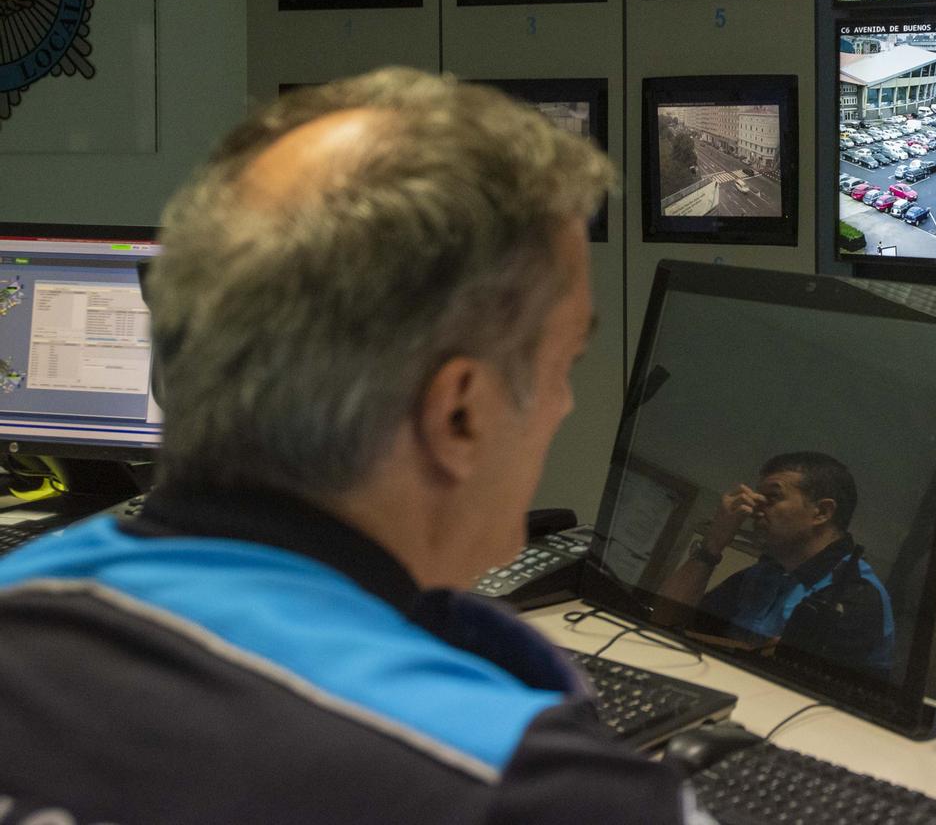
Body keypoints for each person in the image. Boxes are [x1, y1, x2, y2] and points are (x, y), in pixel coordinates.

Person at [0, 70, 711, 823]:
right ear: (459, 414)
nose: (565, 403)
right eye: (563, 364)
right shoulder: (527, 788)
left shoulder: (24, 600)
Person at [657, 452, 895, 679]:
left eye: (772, 498)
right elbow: (662, 623)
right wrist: (712, 546)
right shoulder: (766, 573)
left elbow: (791, 681)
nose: (753, 509)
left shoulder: (856, 594)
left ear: (821, 512)